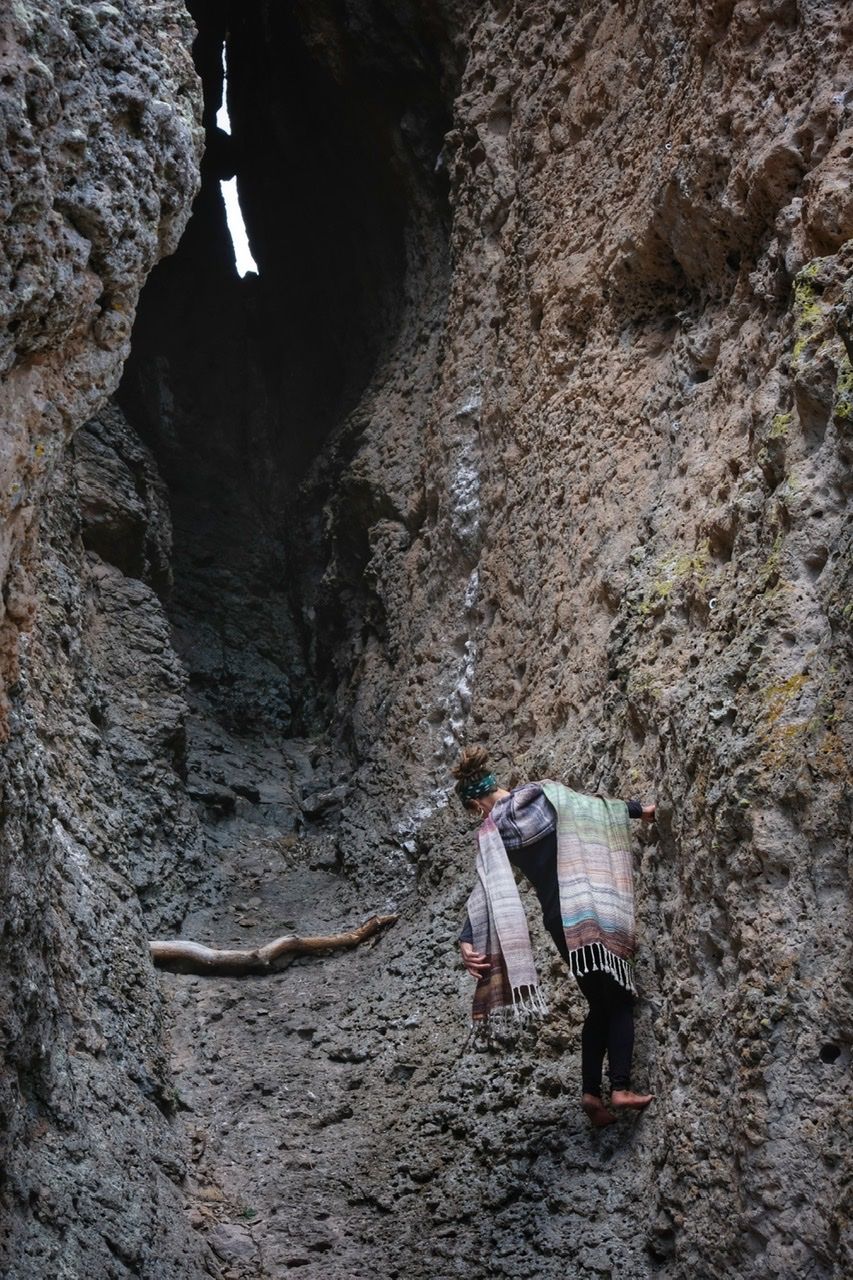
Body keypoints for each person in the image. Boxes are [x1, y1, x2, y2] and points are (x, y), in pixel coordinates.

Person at [454, 746, 655, 1127]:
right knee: (620, 999)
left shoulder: (492, 835)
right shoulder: (541, 795)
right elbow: (595, 809)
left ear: (477, 804)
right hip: (586, 905)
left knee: (599, 1002)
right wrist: (639, 809)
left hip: (558, 921)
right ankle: (621, 1088)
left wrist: (468, 940)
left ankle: (591, 1095)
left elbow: (487, 893)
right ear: (494, 783)